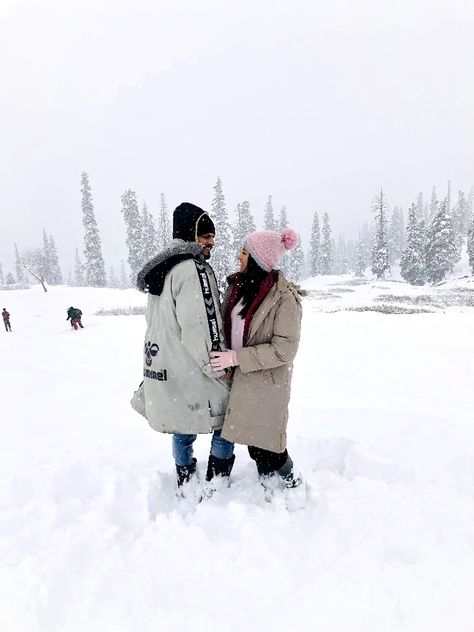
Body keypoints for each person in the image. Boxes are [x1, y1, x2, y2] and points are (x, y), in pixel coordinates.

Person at [131, 202, 234, 496]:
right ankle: (218, 477)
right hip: (193, 365)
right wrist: (217, 366)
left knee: (181, 422)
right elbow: (200, 326)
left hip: (167, 364)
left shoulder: (164, 269)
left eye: (212, 236)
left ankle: (185, 476)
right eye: (205, 236)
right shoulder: (192, 269)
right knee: (228, 417)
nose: (211, 243)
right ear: (191, 234)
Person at [209, 228, 305, 508]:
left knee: (268, 446)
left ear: (258, 260)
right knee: (249, 439)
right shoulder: (238, 287)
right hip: (240, 380)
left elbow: (284, 350)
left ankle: (292, 483)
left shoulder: (284, 298)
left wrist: (236, 358)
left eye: (244, 252)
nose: (238, 257)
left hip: (266, 382)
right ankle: (263, 483)